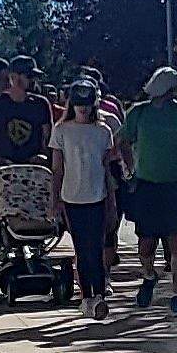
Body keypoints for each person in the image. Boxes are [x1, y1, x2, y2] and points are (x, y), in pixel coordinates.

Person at [112, 66, 177, 315]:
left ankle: (176, 295)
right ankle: (148, 275)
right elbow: (122, 141)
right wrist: (130, 170)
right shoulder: (139, 113)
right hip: (146, 187)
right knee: (146, 243)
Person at [0, 60, 56, 275]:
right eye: (29, 77)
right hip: (4, 170)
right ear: (15, 77)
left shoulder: (40, 104)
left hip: (33, 169)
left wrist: (45, 156)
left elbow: (48, 137)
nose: (33, 81)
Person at [48, 84, 120, 321]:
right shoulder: (62, 130)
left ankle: (99, 295)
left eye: (87, 104)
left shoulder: (102, 131)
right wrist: (54, 199)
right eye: (79, 104)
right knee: (82, 248)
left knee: (96, 248)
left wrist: (112, 203)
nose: (83, 109)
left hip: (97, 196)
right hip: (72, 197)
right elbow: (57, 169)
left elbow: (107, 169)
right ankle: (86, 295)